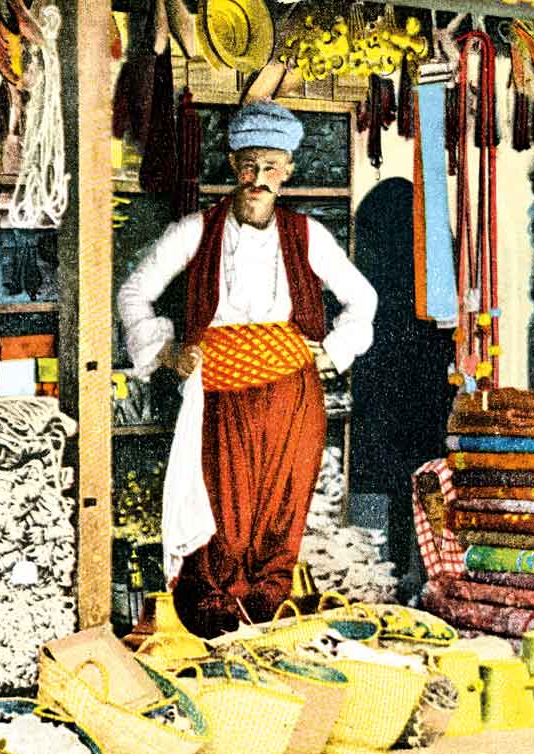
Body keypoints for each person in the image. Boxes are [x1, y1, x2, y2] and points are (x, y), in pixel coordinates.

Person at [117, 101, 377, 637]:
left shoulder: (306, 234)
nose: (258, 180)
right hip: (222, 394)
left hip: (291, 395)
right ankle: (213, 624)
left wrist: (335, 348)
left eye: (271, 168)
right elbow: (133, 292)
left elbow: (363, 299)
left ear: (288, 172)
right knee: (225, 519)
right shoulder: (197, 230)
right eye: (249, 166)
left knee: (281, 512)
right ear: (234, 166)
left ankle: (266, 621)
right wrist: (167, 351)